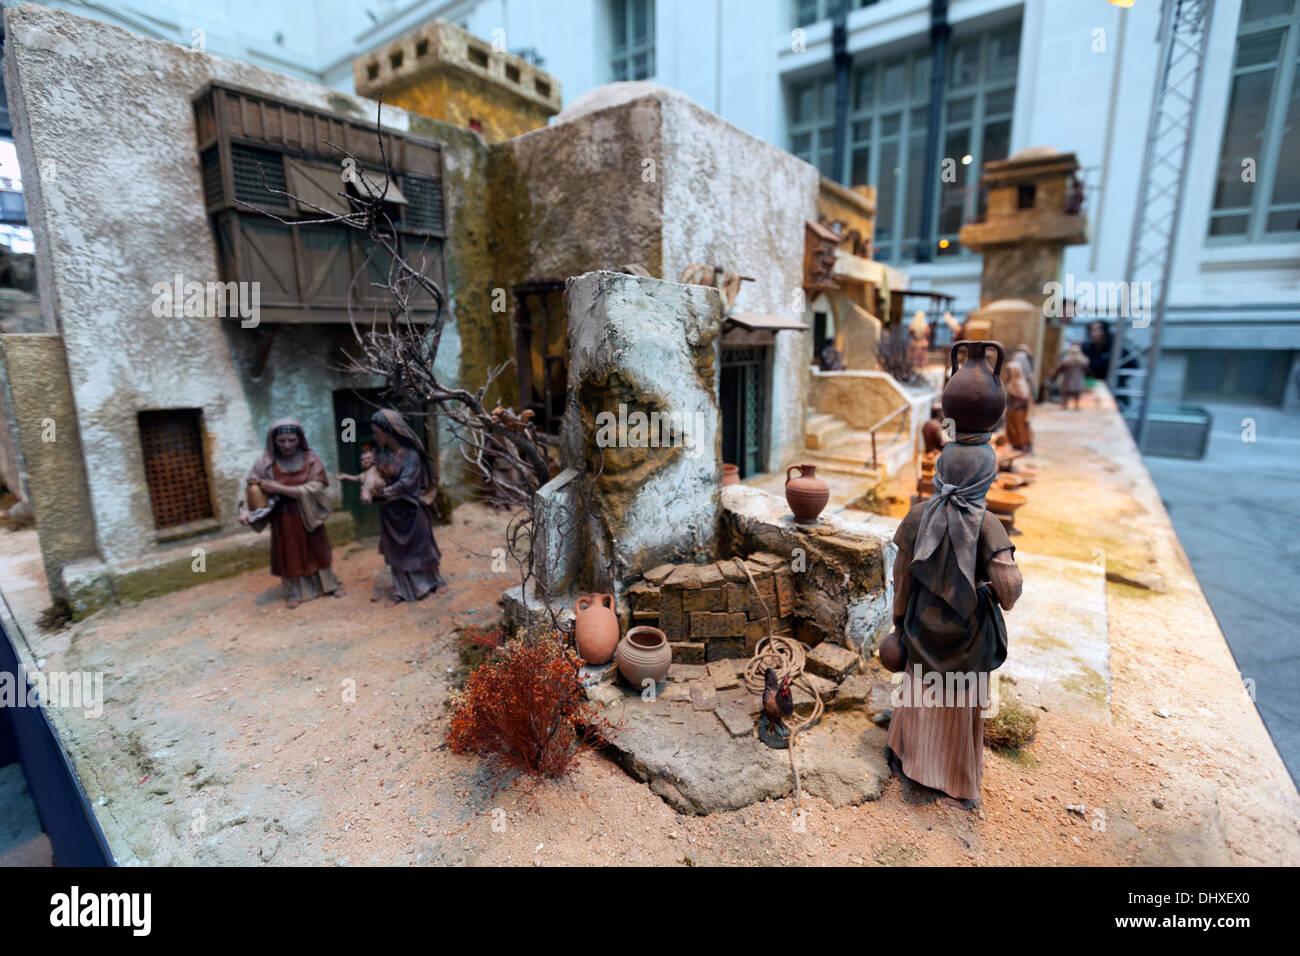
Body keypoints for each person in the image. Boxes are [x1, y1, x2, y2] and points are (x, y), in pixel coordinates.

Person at [888, 433, 1023, 807]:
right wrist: (990, 593)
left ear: (940, 469)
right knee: (957, 708)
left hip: (920, 628)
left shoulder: (918, 515)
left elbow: (901, 581)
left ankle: (909, 758)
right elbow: (1009, 592)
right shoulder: (989, 525)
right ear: (986, 477)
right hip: (968, 637)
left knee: (919, 700)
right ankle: (954, 776)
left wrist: (900, 625)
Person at [239, 418, 344, 609]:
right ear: (273, 441)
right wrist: (246, 510)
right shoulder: (265, 463)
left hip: (310, 514)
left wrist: (280, 488)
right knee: (289, 552)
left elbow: (317, 486)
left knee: (318, 549)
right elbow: (252, 488)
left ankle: (329, 584)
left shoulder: (311, 459)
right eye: (281, 441)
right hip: (283, 517)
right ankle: (294, 591)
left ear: (299, 439)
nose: (287, 445)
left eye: (291, 440)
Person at [370, 409, 446, 605]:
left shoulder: (411, 455)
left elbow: (406, 484)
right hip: (390, 513)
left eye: (376, 432)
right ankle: (402, 589)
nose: (374, 436)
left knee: (421, 548)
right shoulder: (383, 456)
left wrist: (383, 492)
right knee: (395, 551)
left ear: (387, 432)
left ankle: (434, 581)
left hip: (410, 511)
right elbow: (376, 476)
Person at [1003, 363, 1034, 452]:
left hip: (1018, 412)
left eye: (1010, 372)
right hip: (1012, 412)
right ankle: (1017, 448)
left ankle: (1023, 450)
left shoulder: (1019, 383)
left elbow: (1024, 398)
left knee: (1020, 433)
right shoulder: (1012, 383)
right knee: (1013, 433)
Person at [1051, 342, 1090, 410]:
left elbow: (1058, 371)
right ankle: (1076, 406)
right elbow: (1087, 371)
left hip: (1068, 383)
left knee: (1066, 396)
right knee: (1076, 396)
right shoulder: (1083, 362)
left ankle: (1065, 406)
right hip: (1078, 384)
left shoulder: (1066, 361)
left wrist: (1053, 377)